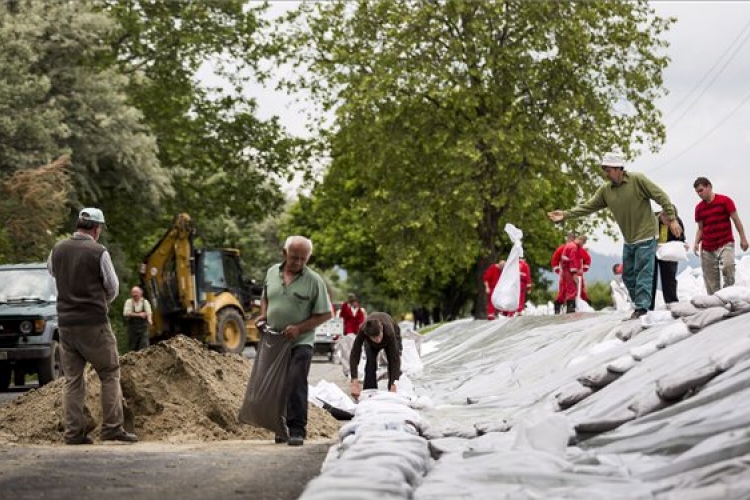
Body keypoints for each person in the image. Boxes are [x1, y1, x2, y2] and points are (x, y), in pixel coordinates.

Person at [548, 152, 682, 319]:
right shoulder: (606, 190)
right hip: (629, 239)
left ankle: (642, 309)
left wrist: (672, 218)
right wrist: (566, 214)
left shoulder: (637, 180)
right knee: (627, 276)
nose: (606, 172)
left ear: (619, 168)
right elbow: (588, 206)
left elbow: (661, 196)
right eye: (604, 169)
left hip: (647, 235)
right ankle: (643, 305)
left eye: (608, 169)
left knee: (643, 273)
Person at [47, 208, 138, 444]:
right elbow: (113, 287)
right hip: (94, 324)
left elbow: (52, 272)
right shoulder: (99, 252)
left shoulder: (57, 249)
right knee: (109, 373)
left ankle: (73, 433)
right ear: (97, 229)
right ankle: (112, 429)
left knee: (73, 379)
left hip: (65, 324)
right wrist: (97, 302)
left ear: (78, 225)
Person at [255, 236, 332, 446]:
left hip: (301, 341)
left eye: (302, 259)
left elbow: (326, 314)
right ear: (284, 254)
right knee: (276, 386)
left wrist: (299, 328)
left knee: (295, 381)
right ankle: (280, 429)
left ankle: (297, 429)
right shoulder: (272, 273)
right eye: (293, 258)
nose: (297, 263)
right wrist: (263, 315)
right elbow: (266, 298)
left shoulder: (314, 281)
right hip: (274, 340)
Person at [693, 177, 749, 295]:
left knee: (728, 267)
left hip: (725, 242)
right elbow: (700, 229)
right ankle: (717, 302)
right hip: (708, 247)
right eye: (697, 192)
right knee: (711, 282)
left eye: (701, 190)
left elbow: (736, 220)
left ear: (709, 186)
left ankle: (728, 294)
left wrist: (743, 238)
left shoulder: (725, 201)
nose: (699, 194)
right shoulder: (699, 208)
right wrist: (696, 243)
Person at [349, 312, 402, 401]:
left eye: (378, 336)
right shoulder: (363, 330)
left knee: (392, 360)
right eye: (374, 338)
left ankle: (392, 390)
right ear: (367, 335)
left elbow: (395, 359)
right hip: (370, 344)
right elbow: (355, 354)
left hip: (391, 336)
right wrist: (354, 380)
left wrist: (394, 383)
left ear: (381, 329)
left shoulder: (389, 331)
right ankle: (369, 392)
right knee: (370, 362)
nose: (377, 340)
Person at [651, 211, 687, 309]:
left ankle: (672, 302)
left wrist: (683, 244)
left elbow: (682, 238)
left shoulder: (677, 221)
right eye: (667, 219)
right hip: (652, 250)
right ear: (662, 216)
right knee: (650, 277)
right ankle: (648, 305)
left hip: (669, 252)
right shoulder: (652, 219)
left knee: (669, 276)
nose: (669, 222)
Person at [551, 233, 576, 314]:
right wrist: (557, 270)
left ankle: (569, 307)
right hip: (565, 271)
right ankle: (563, 306)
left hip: (571, 272)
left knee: (570, 289)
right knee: (564, 289)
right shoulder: (561, 248)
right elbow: (555, 259)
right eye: (570, 239)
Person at [123, 285, 152, 352]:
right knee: (133, 347)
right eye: (133, 292)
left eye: (136, 292)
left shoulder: (145, 302)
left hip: (143, 328)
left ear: (140, 293)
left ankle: (144, 361)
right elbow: (126, 313)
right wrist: (139, 315)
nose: (134, 294)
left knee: (144, 345)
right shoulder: (129, 302)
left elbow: (149, 312)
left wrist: (150, 320)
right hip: (133, 329)